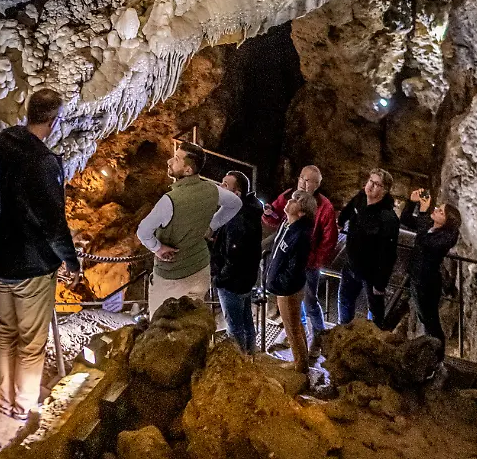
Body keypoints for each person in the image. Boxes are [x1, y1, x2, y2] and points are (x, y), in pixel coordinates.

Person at [0, 88, 81, 422]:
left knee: (5, 333)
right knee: (30, 342)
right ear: (54, 121)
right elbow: (53, 224)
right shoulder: (43, 162)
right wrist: (71, 260)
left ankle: (5, 401)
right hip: (32, 265)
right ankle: (22, 408)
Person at [137, 141, 241, 317]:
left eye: (177, 159)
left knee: (160, 323)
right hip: (200, 270)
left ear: (188, 170)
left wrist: (158, 248)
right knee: (190, 322)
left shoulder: (170, 200)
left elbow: (143, 231)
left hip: (172, 277)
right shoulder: (211, 190)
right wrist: (212, 226)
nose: (170, 161)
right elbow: (235, 203)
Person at [261, 165, 338, 353]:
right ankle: (295, 335)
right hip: (287, 259)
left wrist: (313, 260)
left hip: (307, 264)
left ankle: (318, 337)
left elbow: (329, 239)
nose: (303, 183)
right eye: (302, 178)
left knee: (310, 301)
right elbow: (277, 217)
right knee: (292, 304)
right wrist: (269, 214)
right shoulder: (290, 196)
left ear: (317, 185)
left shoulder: (325, 207)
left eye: (308, 180)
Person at [400, 189, 462, 357]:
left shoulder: (446, 238)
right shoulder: (429, 225)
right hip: (416, 277)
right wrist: (411, 202)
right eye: (438, 208)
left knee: (431, 321)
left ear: (447, 221)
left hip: (427, 283)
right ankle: (431, 353)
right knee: (424, 318)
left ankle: (438, 356)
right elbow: (405, 220)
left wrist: (422, 211)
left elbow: (425, 242)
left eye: (440, 211)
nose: (435, 210)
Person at [337, 168, 400, 329]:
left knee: (375, 310)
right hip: (351, 264)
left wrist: (380, 284)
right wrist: (340, 222)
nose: (370, 186)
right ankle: (344, 333)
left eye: (376, 184)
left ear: (384, 190)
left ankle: (375, 336)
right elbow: (349, 209)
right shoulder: (361, 197)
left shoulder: (388, 218)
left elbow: (388, 254)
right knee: (345, 301)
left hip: (371, 273)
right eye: (370, 181)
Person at [210, 170, 263, 354]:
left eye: (225, 185)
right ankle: (251, 355)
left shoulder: (237, 220)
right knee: (246, 321)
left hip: (233, 283)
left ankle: (239, 361)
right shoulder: (248, 210)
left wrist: (220, 279)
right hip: (245, 279)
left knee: (234, 328)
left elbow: (235, 255)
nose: (220, 187)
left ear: (236, 194)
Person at [265, 190, 317, 374]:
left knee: (292, 328)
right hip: (285, 287)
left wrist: (280, 284)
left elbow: (294, 267)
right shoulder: (288, 224)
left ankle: (300, 367)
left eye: (296, 200)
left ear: (301, 212)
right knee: (295, 325)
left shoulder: (301, 235)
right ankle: (301, 362)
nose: (289, 201)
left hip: (288, 290)